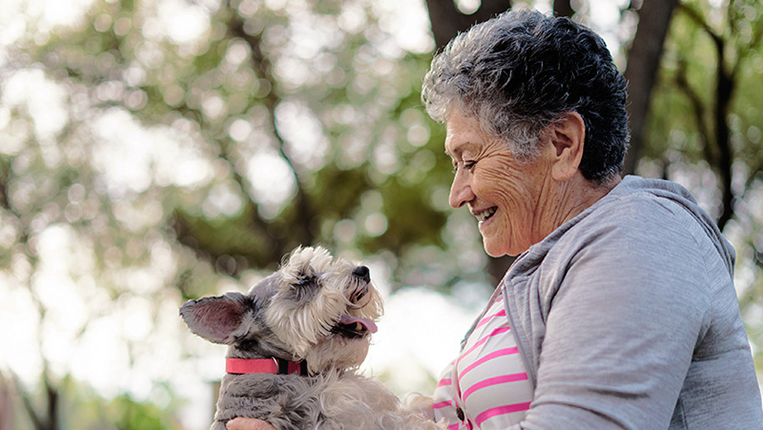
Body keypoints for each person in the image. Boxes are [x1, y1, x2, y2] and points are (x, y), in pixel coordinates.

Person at [228, 9, 763, 430]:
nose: (458, 193)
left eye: (470, 160)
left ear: (562, 145)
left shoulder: (642, 238)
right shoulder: (549, 266)